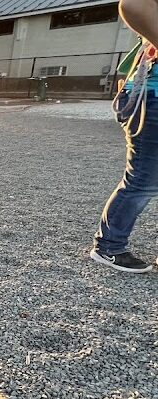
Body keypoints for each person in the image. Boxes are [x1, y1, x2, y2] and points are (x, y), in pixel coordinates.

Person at [90, 0, 158, 273]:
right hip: (152, 96)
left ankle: (110, 244)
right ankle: (109, 246)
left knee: (144, 179)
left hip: (148, 95)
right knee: (143, 181)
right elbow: (134, 4)